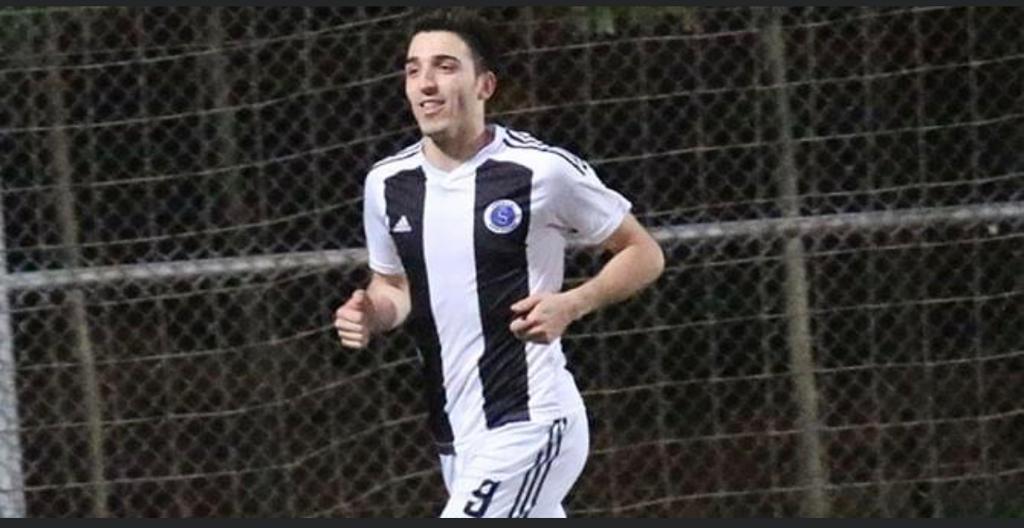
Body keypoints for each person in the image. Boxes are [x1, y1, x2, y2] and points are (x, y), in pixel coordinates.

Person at [334, 11, 665, 518]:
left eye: (445, 67)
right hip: (455, 435)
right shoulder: (387, 184)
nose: (426, 83)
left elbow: (643, 252)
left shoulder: (541, 171)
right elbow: (394, 288)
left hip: (531, 419)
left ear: (485, 85)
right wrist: (371, 313)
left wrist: (572, 303)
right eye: (413, 70)